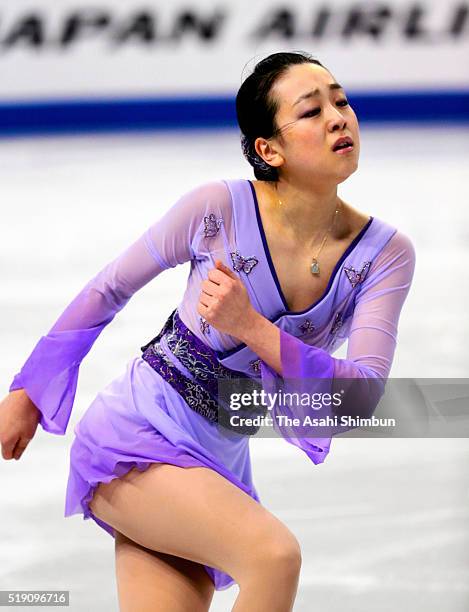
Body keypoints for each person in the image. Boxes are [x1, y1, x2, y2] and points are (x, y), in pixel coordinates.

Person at [0, 50, 415, 612]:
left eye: (341, 101)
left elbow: (361, 395)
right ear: (269, 150)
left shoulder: (384, 255)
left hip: (220, 457)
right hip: (138, 437)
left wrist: (250, 326)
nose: (339, 117)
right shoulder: (217, 208)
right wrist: (27, 392)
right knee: (274, 557)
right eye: (312, 111)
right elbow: (108, 288)